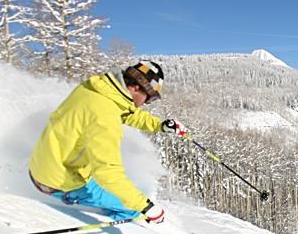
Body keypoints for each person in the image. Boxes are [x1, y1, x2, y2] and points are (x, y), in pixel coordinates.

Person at [28, 61, 186, 224]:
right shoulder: (105, 117)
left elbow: (127, 113)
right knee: (132, 209)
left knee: (125, 193)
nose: (146, 103)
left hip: (43, 164)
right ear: (137, 87)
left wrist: (160, 125)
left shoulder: (95, 89)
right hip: (57, 180)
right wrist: (146, 207)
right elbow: (107, 172)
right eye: (150, 98)